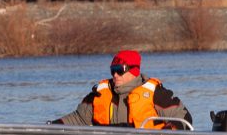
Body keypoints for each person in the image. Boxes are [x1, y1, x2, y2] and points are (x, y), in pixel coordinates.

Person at [54, 50, 191, 128]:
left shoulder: (156, 93)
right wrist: (52, 126)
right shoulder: (99, 94)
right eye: (112, 70)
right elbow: (78, 118)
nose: (115, 75)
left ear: (134, 71)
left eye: (120, 70)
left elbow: (183, 117)